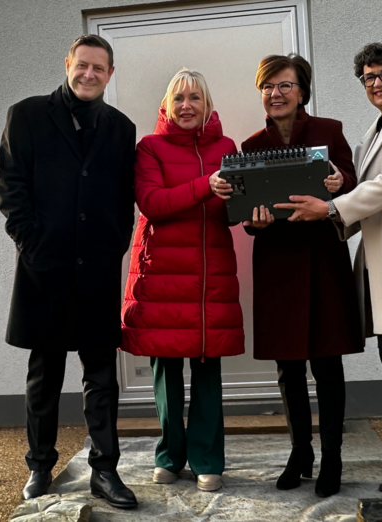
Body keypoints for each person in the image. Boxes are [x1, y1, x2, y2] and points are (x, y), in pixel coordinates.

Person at [275, 41, 382, 518]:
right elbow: (364, 187)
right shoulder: (377, 126)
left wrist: (332, 207)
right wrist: (336, 190)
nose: (376, 83)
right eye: (368, 77)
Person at [0, 34, 138, 509]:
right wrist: (31, 242)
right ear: (68, 64)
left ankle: (105, 469)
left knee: (101, 376)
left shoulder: (121, 128)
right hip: (45, 267)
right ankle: (39, 466)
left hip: (97, 269)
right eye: (83, 66)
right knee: (44, 375)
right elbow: (10, 187)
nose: (89, 75)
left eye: (99, 68)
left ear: (110, 74)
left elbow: (122, 198)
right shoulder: (28, 115)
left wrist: (115, 245)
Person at [240, 54, 364, 498]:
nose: (275, 94)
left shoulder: (329, 131)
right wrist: (254, 220)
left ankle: (332, 455)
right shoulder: (251, 145)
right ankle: (300, 452)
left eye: (284, 86)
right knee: (287, 366)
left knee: (327, 363)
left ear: (302, 91)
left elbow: (352, 182)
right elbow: (244, 211)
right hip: (276, 263)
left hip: (322, 261)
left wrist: (338, 183)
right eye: (268, 87)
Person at [120, 68, 244, 493]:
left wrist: (251, 208)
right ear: (167, 106)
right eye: (179, 99)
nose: (187, 105)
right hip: (162, 272)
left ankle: (208, 459)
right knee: (165, 369)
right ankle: (170, 455)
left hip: (210, 273)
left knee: (208, 368)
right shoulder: (149, 148)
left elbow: (233, 209)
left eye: (195, 97)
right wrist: (206, 185)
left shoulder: (228, 147)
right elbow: (153, 203)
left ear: (207, 104)